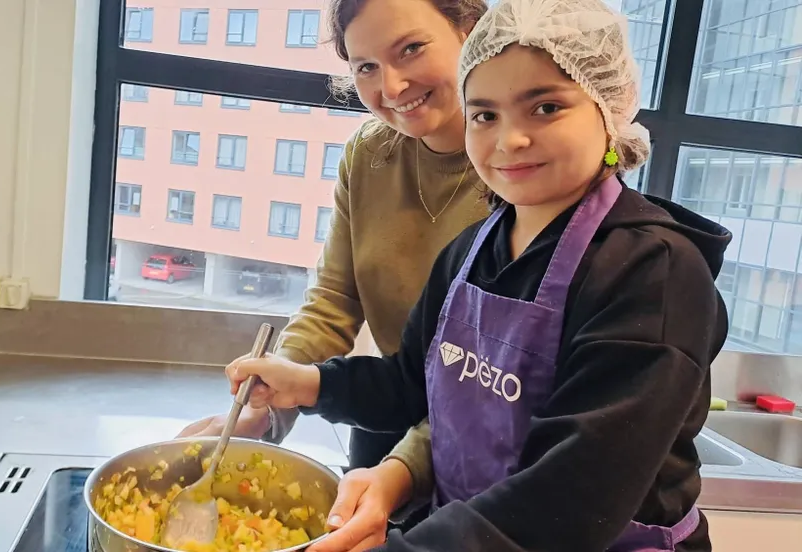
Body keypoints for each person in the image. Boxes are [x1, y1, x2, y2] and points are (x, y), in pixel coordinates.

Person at [224, 0, 733, 551]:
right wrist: (309, 384)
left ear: (607, 109)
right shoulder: (475, 248)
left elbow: (571, 498)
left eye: (545, 108)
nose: (509, 140)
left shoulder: (651, 272)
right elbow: (409, 387)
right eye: (485, 114)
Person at [179, 0, 489, 530]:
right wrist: (267, 406)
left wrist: (402, 467)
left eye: (411, 49)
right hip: (389, 407)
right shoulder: (370, 156)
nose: (391, 87)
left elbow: (498, 378)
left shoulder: (520, 167)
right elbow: (333, 301)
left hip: (488, 438)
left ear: (471, 31)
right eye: (366, 66)